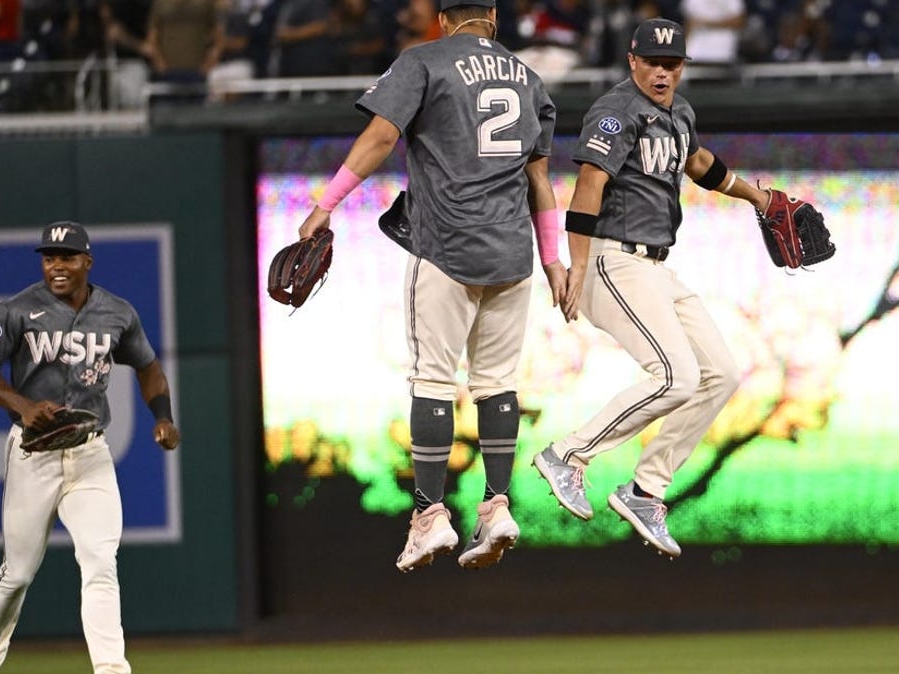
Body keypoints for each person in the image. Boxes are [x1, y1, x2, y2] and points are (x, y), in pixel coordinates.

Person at [295, 0, 567, 571]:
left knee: (433, 381)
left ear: (445, 19)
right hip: (515, 252)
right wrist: (553, 260)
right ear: (492, 16)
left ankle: (430, 516)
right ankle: (496, 506)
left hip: (447, 245)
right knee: (496, 383)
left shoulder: (425, 61)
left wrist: (326, 203)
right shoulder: (529, 79)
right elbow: (539, 179)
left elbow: (379, 137)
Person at [533, 17, 771, 558]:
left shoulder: (679, 111)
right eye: (653, 62)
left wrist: (756, 198)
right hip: (612, 259)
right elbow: (589, 186)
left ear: (682, 66)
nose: (663, 72)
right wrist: (574, 264)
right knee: (675, 374)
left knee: (721, 374)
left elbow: (700, 164)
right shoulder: (616, 112)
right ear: (633, 61)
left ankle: (646, 491)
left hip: (656, 266)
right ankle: (568, 455)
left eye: (672, 64)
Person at [0, 222, 180, 674]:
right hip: (33, 453)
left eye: (67, 257)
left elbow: (149, 367)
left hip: (89, 454)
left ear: (87, 262)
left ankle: (110, 669)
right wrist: (21, 404)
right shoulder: (18, 309)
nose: (57, 266)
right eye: (49, 257)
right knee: (18, 573)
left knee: (101, 562)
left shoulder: (117, 312)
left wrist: (163, 415)